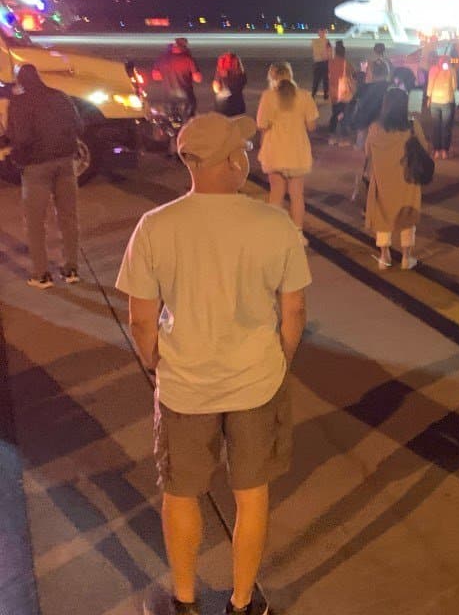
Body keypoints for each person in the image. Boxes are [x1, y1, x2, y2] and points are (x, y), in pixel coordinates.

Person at [119, 113, 308, 615]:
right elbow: (294, 309)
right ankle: (243, 602)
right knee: (251, 493)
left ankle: (184, 600)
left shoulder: (156, 226)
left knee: (181, 493)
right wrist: (279, 361)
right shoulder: (274, 223)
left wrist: (159, 364)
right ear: (233, 161)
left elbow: (140, 318)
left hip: (186, 386)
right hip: (256, 382)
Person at [6, 64, 83, 288]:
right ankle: (71, 269)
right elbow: (79, 126)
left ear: (21, 82)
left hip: (36, 167)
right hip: (65, 163)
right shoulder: (60, 97)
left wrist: (16, 155)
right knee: (68, 218)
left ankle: (41, 274)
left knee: (35, 222)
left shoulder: (19, 103)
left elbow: (19, 137)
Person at [364, 87, 430, 270]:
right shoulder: (411, 126)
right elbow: (424, 148)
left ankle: (384, 256)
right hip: (407, 179)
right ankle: (406, 257)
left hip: (382, 179)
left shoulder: (375, 127)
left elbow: (367, 152)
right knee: (407, 216)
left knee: (383, 215)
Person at [256, 62, 319, 230]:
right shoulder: (305, 96)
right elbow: (312, 126)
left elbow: (261, 125)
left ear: (272, 77)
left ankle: (276, 232)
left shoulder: (268, 96)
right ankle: (297, 233)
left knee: (276, 193)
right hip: (297, 152)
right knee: (297, 195)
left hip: (275, 151)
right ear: (290, 75)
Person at [153, 38, 202, 121]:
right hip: (185, 96)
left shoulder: (162, 58)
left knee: (169, 119)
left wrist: (167, 75)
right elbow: (198, 78)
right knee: (188, 119)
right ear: (184, 47)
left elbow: (155, 76)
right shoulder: (188, 59)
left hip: (168, 96)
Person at [350, 59, 392, 148]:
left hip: (364, 124)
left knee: (361, 148)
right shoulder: (391, 87)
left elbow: (354, 101)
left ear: (372, 74)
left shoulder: (365, 88)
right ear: (387, 73)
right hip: (384, 124)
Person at [425, 55, 458, 159]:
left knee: (436, 126)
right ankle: (444, 151)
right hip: (447, 101)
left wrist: (429, 98)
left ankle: (436, 151)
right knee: (446, 127)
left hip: (434, 101)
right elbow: (455, 87)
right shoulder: (452, 71)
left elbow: (430, 85)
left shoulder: (433, 70)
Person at [327, 40, 356, 140]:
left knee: (335, 113)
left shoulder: (331, 62)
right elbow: (353, 74)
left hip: (333, 91)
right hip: (344, 92)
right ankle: (343, 134)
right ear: (343, 52)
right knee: (345, 113)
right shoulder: (346, 63)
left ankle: (332, 133)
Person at [212, 52, 248, 117]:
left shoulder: (219, 73)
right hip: (237, 103)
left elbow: (216, 87)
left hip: (221, 104)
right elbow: (244, 81)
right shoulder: (239, 74)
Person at [310, 28, 332, 100]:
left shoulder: (324, 41)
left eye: (322, 33)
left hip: (322, 63)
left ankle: (324, 94)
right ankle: (314, 94)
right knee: (318, 80)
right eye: (320, 32)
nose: (322, 34)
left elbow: (329, 52)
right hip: (320, 63)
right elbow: (327, 52)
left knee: (324, 80)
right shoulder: (318, 41)